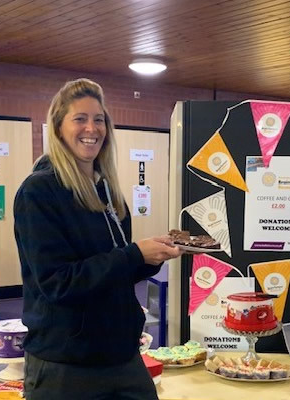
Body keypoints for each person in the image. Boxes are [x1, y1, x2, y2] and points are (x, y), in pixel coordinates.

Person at [14, 78, 182, 400]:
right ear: (59, 128)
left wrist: (150, 256)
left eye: (99, 119)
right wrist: (134, 254)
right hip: (66, 363)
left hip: (120, 354)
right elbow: (58, 283)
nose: (92, 128)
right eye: (80, 118)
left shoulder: (107, 190)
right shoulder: (39, 192)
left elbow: (112, 271)